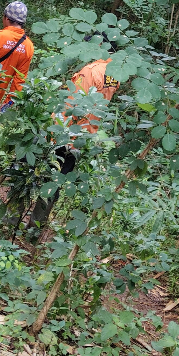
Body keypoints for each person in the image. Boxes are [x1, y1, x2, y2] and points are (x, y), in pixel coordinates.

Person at [28, 33, 120, 227]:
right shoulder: (115, 72)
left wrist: (53, 129)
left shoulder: (90, 70)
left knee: (29, 167)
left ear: (99, 46)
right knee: (57, 181)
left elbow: (72, 105)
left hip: (64, 134)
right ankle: (36, 227)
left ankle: (14, 218)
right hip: (83, 136)